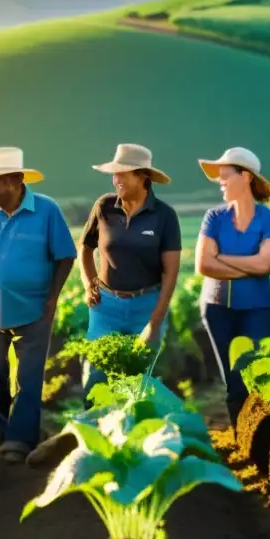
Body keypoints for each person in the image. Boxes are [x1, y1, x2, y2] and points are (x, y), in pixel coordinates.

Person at [0, 147, 77, 464]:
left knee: (28, 376)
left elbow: (66, 255)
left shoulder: (46, 210)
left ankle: (20, 440)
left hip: (35, 306)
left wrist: (53, 296)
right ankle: (4, 429)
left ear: (15, 181)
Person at [77, 143, 182, 401]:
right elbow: (85, 247)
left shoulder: (164, 216)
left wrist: (154, 324)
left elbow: (171, 272)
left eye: (122, 174)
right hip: (106, 306)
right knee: (95, 378)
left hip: (146, 307)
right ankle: (94, 432)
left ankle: (136, 435)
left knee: (141, 384)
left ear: (143, 176)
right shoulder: (104, 207)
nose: (115, 180)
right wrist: (88, 283)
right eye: (114, 174)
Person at [194, 147, 270, 427]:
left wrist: (221, 257)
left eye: (225, 176)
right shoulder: (214, 217)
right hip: (217, 308)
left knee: (254, 376)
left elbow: (267, 265)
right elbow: (204, 265)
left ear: (245, 177)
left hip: (256, 309)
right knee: (233, 379)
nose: (220, 182)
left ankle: (259, 436)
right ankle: (241, 439)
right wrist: (248, 264)